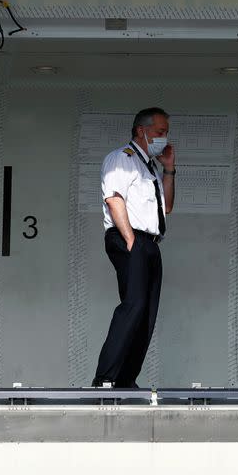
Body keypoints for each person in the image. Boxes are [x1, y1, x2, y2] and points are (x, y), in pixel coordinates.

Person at [92, 107, 176, 388]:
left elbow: (168, 207)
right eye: (160, 132)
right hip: (131, 238)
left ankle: (126, 379)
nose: (164, 138)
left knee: (146, 313)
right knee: (133, 305)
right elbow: (114, 199)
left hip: (150, 243)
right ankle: (105, 377)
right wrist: (129, 239)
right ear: (142, 130)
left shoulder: (150, 167)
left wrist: (169, 169)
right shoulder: (121, 159)